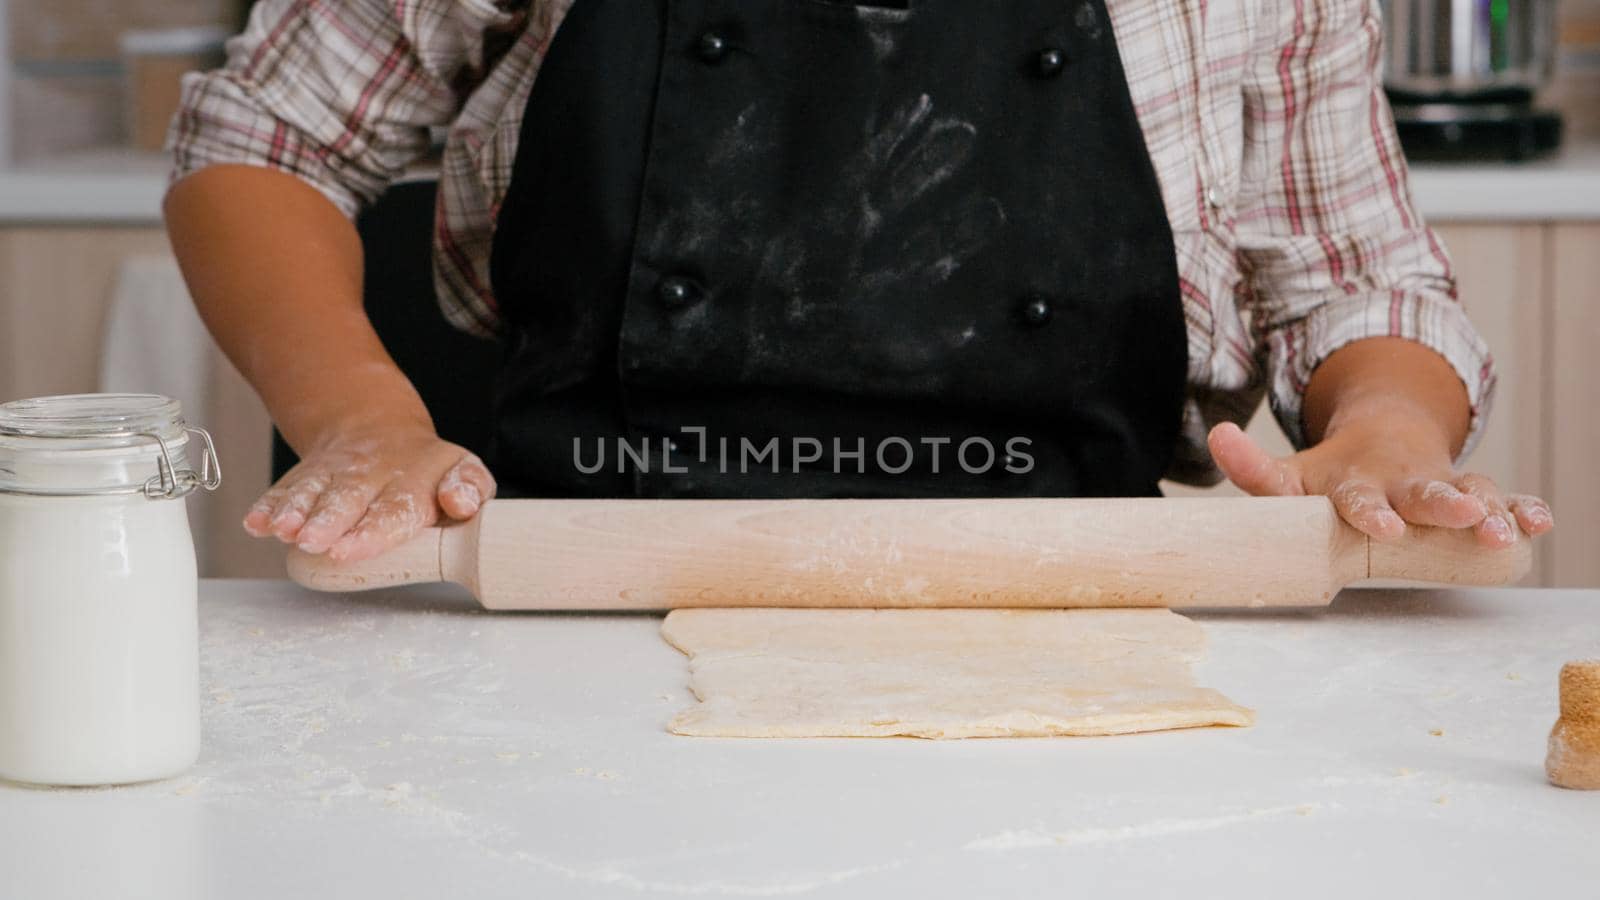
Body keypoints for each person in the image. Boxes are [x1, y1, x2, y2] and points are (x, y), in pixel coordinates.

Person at [164, 0, 1553, 565]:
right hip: (580, 595)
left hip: (1088, 611)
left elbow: (1365, 279)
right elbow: (263, 145)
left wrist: (1386, 428)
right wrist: (361, 414)